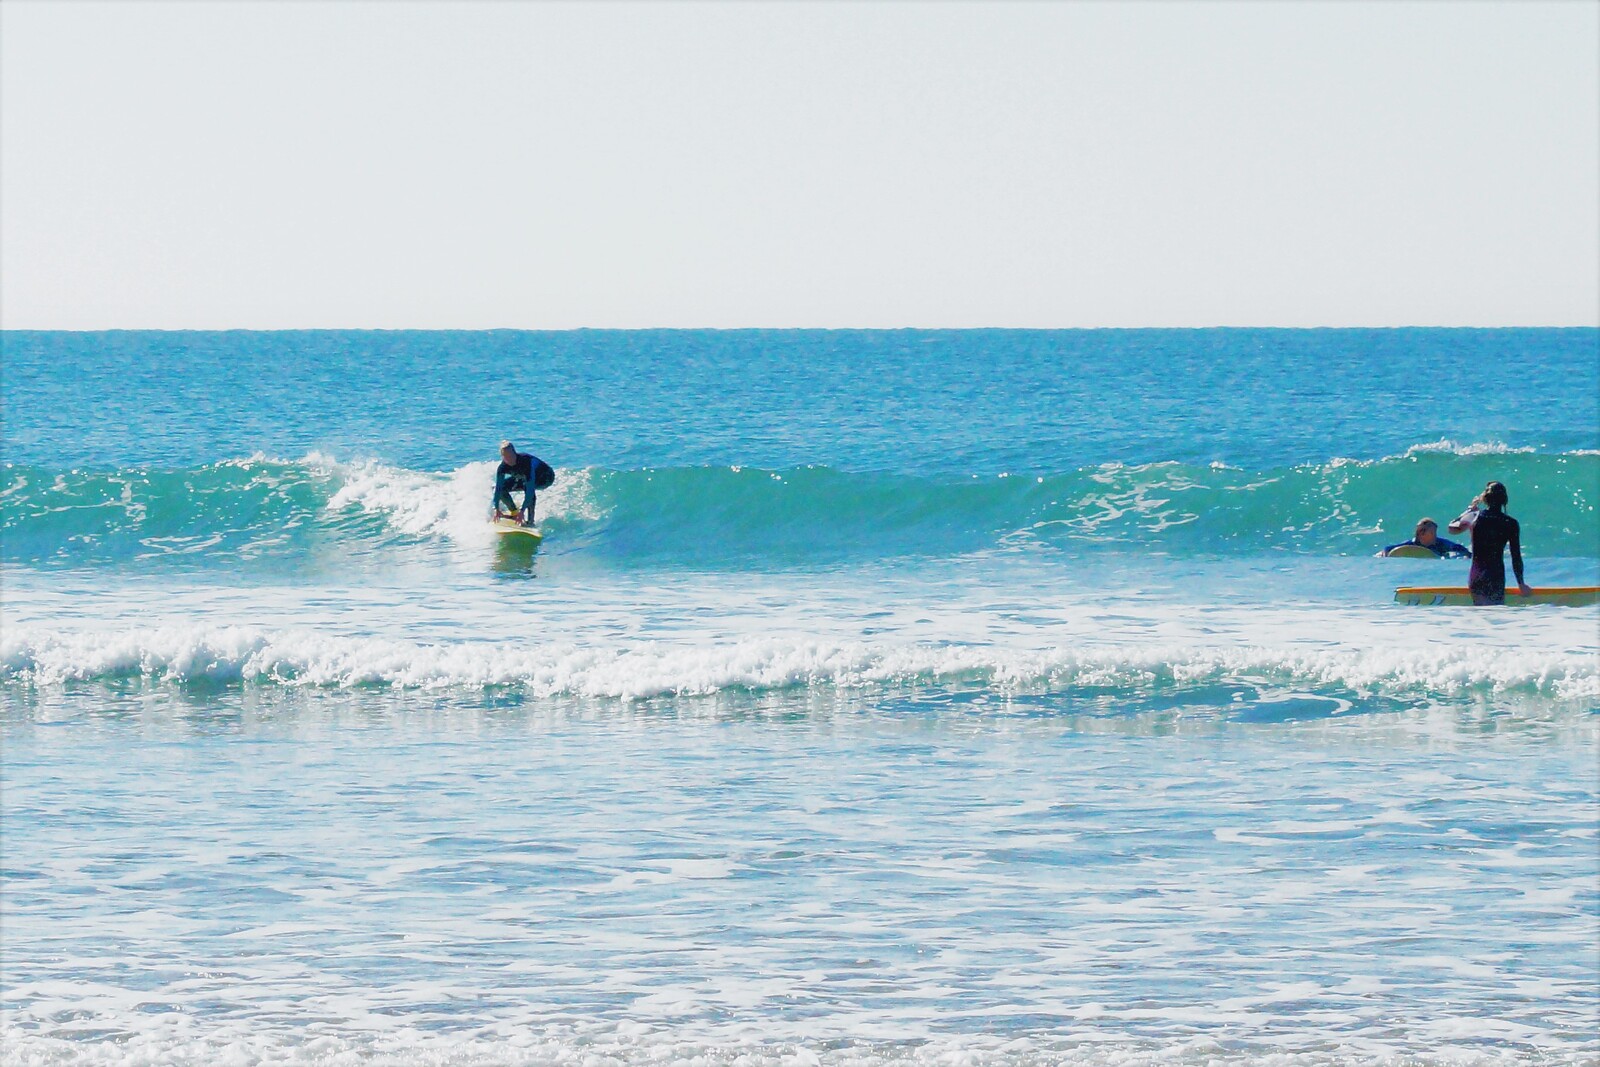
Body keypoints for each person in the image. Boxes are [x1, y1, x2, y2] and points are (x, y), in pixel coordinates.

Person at [1465, 481, 1531, 605]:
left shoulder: (1474, 517)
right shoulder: (1510, 523)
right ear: (1504, 500)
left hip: (1476, 575)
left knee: (1479, 615)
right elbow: (1515, 556)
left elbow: (1452, 527)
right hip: (1495, 576)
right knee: (1495, 615)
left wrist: (1469, 510)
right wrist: (1521, 583)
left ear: (1485, 498)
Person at [492, 440, 555, 526]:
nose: (509, 459)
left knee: (528, 487)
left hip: (546, 478)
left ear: (515, 453)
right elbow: (498, 489)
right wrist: (496, 508)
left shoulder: (525, 462)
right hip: (524, 477)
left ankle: (530, 521)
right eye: (506, 457)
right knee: (501, 488)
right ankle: (514, 513)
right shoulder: (502, 467)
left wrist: (522, 511)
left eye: (510, 456)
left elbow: (530, 490)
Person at [1381, 517, 1470, 558]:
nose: (1434, 535)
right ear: (1421, 534)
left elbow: (1460, 548)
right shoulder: (1411, 544)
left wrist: (1467, 555)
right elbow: (1388, 549)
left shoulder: (1440, 544)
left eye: (1435, 532)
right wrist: (1385, 555)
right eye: (1431, 532)